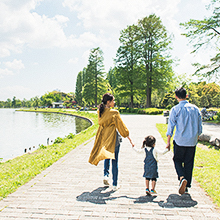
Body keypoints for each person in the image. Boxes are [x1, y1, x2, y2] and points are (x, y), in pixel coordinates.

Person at [89, 93, 134, 191]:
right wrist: (127, 135)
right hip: (114, 139)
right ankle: (114, 184)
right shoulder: (114, 113)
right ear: (108, 102)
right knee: (115, 161)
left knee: (106, 156)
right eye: (113, 100)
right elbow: (121, 127)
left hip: (104, 138)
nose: (114, 102)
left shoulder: (100, 112)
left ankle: (106, 175)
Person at [166, 87, 202, 195]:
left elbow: (170, 127)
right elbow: (200, 127)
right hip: (192, 141)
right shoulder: (195, 109)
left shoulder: (175, 109)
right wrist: (197, 137)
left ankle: (182, 178)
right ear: (186, 96)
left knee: (177, 160)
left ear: (176, 96)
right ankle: (187, 185)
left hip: (180, 140)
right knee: (189, 162)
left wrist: (168, 141)